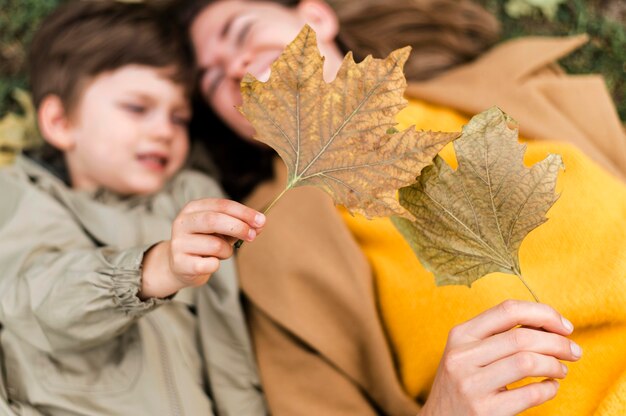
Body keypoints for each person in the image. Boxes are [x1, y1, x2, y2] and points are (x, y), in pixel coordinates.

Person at [176, 0, 626, 415]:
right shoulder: (273, 249)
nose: (234, 66)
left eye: (241, 32)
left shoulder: (508, 87)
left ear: (316, 15)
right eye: (213, 80)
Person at [0, 2, 268, 415]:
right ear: (60, 122)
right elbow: (35, 302)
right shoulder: (22, 193)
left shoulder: (191, 196)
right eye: (137, 108)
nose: (164, 129)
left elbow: (226, 342)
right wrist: (151, 270)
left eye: (179, 117)